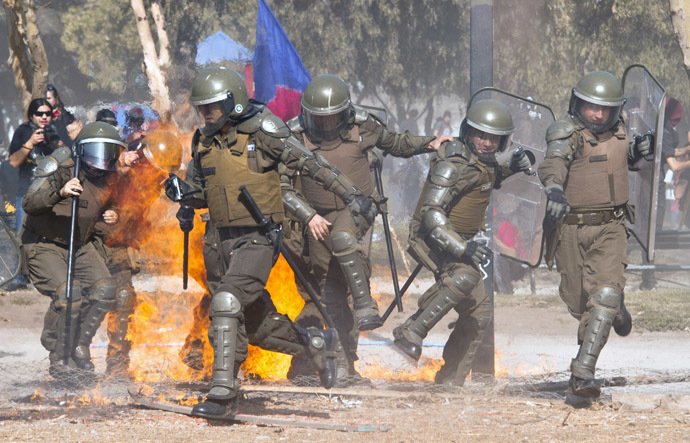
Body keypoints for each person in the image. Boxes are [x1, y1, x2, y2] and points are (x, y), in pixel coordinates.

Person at [164, 67, 376, 419]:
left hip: (258, 238)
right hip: (219, 242)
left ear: (232, 104)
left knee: (227, 301)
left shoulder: (264, 129)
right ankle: (316, 343)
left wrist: (351, 195)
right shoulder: (203, 141)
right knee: (254, 323)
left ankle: (222, 394)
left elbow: (311, 164)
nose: (204, 116)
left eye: (211, 108)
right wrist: (183, 195)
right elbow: (201, 192)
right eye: (201, 109)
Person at [283, 74, 451, 376]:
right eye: (319, 120)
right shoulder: (295, 137)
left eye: (332, 120)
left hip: (358, 208)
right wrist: (307, 216)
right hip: (318, 220)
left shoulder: (364, 127)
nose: (325, 127)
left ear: (345, 114)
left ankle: (366, 306)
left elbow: (396, 143)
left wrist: (430, 143)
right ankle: (344, 366)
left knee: (345, 240)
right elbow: (278, 176)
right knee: (331, 296)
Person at [392, 99, 531, 387]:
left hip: (457, 240)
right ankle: (410, 332)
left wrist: (512, 167)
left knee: (479, 312)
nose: (487, 143)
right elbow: (432, 214)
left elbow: (485, 177)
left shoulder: (484, 162)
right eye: (481, 135)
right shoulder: (453, 163)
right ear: (468, 132)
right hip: (432, 238)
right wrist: (462, 248)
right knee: (465, 275)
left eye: (494, 138)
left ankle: (449, 383)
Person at [538, 71, 647, 398]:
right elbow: (553, 163)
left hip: (611, 227)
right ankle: (615, 307)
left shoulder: (622, 130)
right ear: (578, 104)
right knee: (580, 303)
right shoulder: (566, 132)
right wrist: (554, 189)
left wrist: (643, 149)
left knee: (604, 297)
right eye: (590, 107)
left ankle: (582, 373)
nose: (598, 114)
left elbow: (627, 159)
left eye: (605, 108)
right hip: (571, 228)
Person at [20, 122, 134, 380]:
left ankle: (79, 346)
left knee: (105, 288)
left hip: (79, 243)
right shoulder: (61, 166)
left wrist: (114, 213)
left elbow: (118, 204)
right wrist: (59, 192)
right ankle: (60, 359)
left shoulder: (112, 177)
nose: (101, 160)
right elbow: (29, 202)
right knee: (69, 294)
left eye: (107, 152)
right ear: (81, 150)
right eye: (95, 151)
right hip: (44, 243)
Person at [8, 98, 62, 236]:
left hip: (52, 193)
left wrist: (58, 144)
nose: (44, 117)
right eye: (39, 113)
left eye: (48, 113)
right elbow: (14, 162)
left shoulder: (59, 131)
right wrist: (30, 143)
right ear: (32, 115)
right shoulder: (23, 131)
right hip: (27, 191)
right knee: (22, 235)